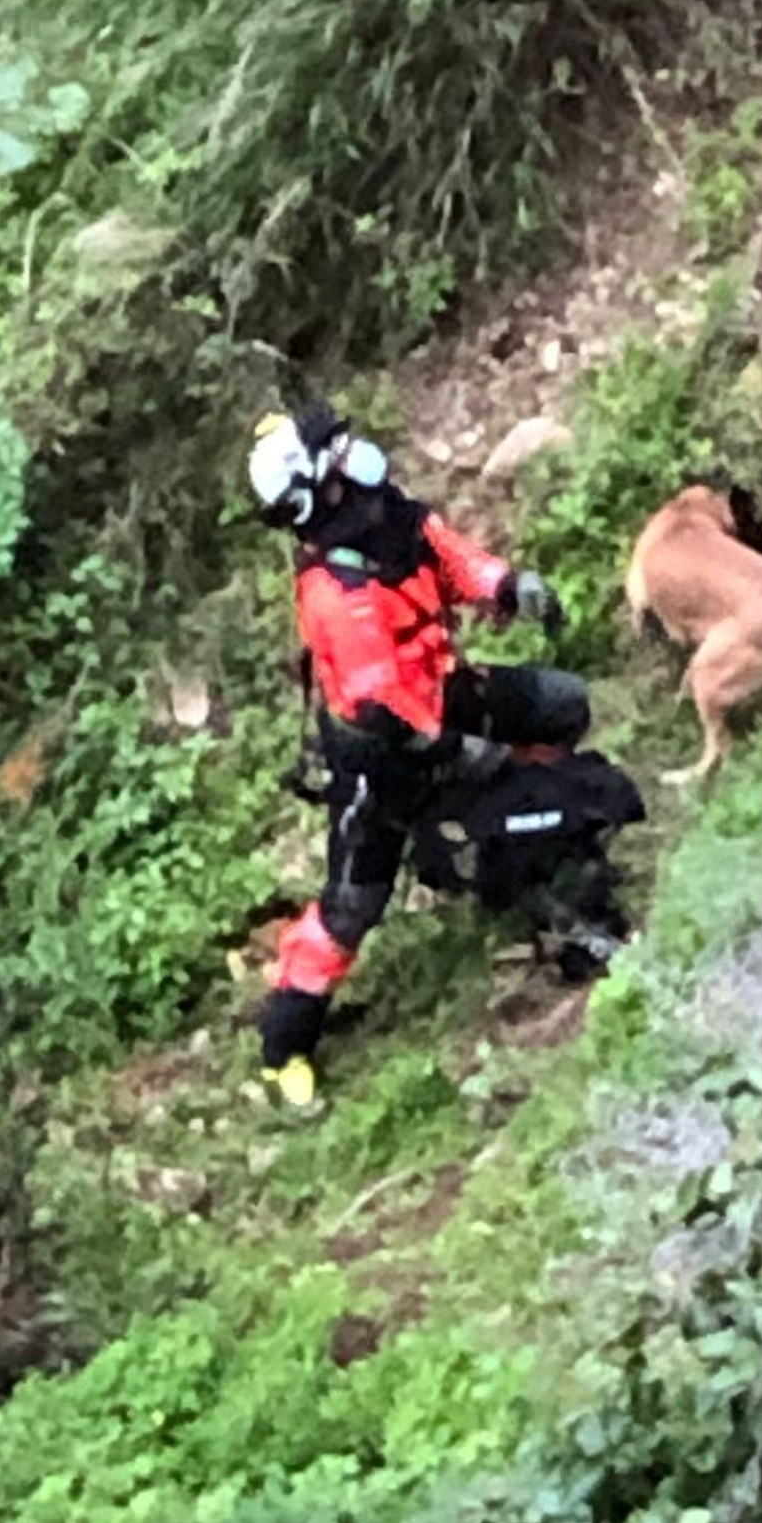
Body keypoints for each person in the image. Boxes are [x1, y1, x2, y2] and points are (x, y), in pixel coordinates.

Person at [248, 402, 594, 1109]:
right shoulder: (336, 596)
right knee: (351, 906)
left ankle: (509, 843)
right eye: (336, 455)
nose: (356, 455)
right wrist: (460, 752)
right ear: (318, 489)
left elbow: (446, 552)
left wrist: (504, 584)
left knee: (561, 705)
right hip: (384, 758)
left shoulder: (387, 515)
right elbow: (383, 708)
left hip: (444, 692)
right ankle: (284, 1046)